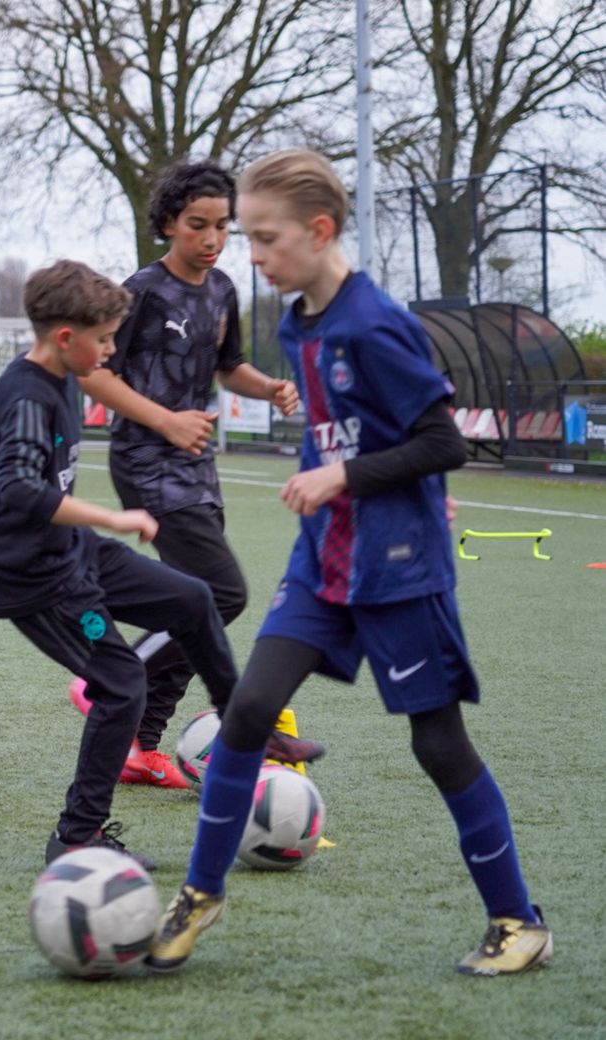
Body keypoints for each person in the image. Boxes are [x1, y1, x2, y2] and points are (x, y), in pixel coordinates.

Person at [147, 150, 552, 976]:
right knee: (249, 710)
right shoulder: (298, 321)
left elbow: (443, 442)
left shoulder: (376, 323)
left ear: (319, 231)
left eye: (264, 237)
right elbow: (342, 425)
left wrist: (341, 474)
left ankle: (519, 919)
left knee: (438, 745)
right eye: (243, 236)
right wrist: (325, 471)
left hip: (401, 568)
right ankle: (201, 892)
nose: (249, 254)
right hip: (323, 563)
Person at [0, 260, 241, 869]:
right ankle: (78, 835)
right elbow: (17, 488)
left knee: (195, 599)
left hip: (70, 550)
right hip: (30, 574)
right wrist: (116, 518)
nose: (113, 349)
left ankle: (246, 733)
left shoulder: (60, 370)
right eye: (105, 339)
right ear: (65, 337)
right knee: (122, 684)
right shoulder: (25, 394)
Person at [77, 159, 318, 788]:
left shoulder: (222, 291)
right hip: (144, 462)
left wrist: (269, 388)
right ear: (167, 224)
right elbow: (95, 374)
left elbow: (228, 364)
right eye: (196, 225)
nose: (211, 239)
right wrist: (166, 422)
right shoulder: (141, 293)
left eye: (222, 226)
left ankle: (141, 744)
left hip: (195, 465)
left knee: (191, 602)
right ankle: (109, 674)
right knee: (220, 596)